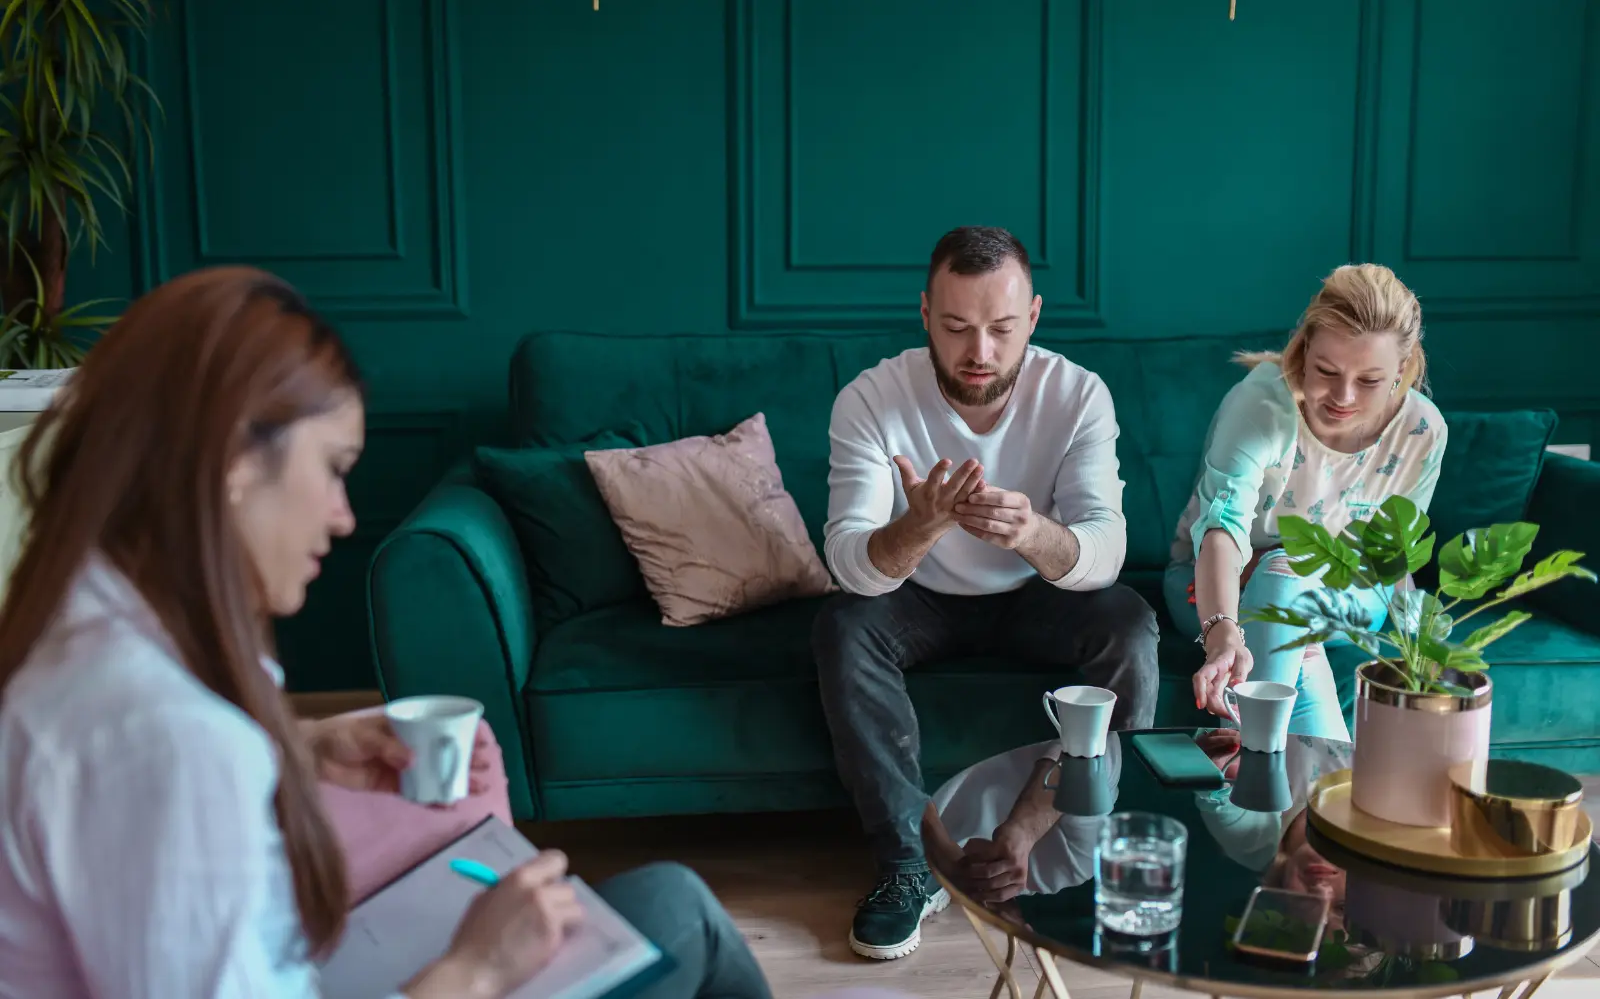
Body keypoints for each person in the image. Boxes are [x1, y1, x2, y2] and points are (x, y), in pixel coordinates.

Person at [0, 267, 772, 999]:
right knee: (681, 915)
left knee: (668, 904)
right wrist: (474, 969)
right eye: (334, 468)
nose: (343, 516)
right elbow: (164, 776)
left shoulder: (76, 627)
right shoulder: (169, 741)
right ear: (232, 455)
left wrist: (297, 751)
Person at [814, 226, 1159, 961]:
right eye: (957, 328)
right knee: (842, 625)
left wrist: (1032, 531)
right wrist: (918, 527)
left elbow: (1106, 551)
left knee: (1129, 625)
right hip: (918, 599)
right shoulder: (871, 398)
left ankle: (1037, 828)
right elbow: (850, 562)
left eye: (1002, 329)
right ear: (924, 315)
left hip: (1037, 592)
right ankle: (908, 864)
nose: (980, 353)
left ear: (1032, 317)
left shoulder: (1078, 395)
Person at [1165, 263, 1448, 741]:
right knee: (1284, 596)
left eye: (1370, 381)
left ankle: (1250, 771)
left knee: (1279, 576)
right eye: (1326, 371)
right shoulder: (1261, 405)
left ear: (1401, 369)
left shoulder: (1422, 431)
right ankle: (1316, 794)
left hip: (1347, 595)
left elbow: (1389, 557)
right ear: (1304, 348)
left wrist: (1416, 643)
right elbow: (1220, 528)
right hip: (1207, 587)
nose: (1342, 396)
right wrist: (1223, 634)